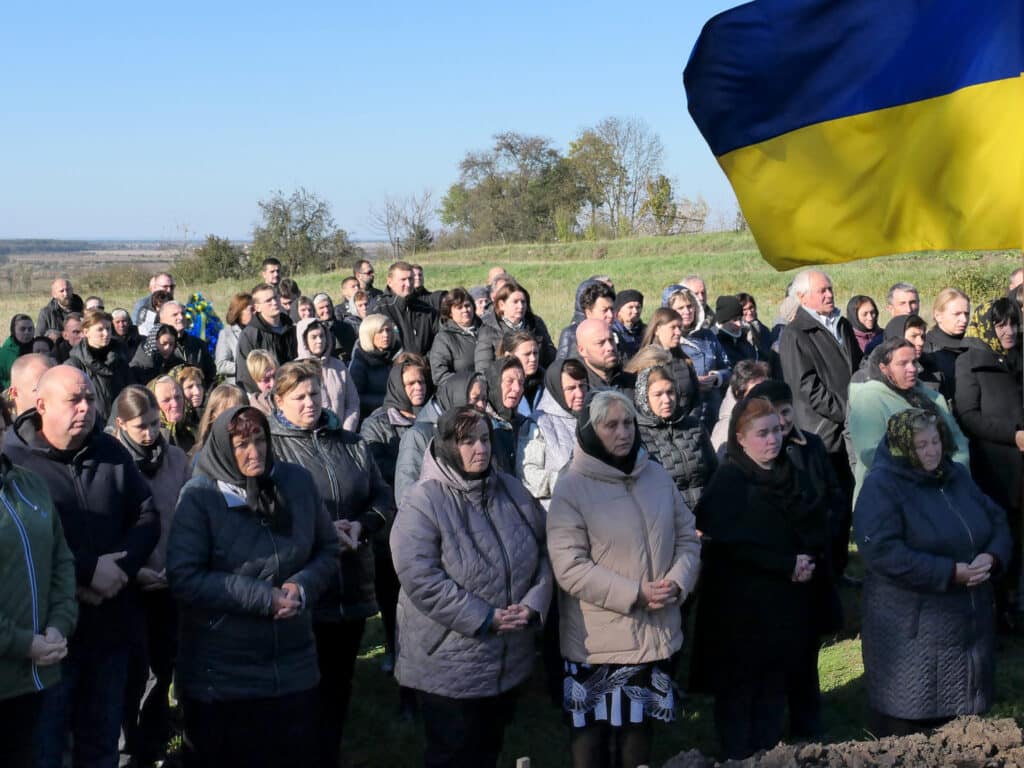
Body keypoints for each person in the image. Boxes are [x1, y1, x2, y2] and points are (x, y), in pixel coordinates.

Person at [4, 365, 159, 768]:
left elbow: (145, 514)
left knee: (102, 744)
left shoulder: (109, 451)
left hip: (110, 631)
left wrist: (119, 570)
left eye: (90, 398)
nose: (86, 408)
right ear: (40, 405)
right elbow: (36, 547)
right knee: (47, 749)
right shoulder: (18, 465)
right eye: (74, 400)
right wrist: (88, 571)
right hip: (49, 642)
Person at [168, 406, 338, 768]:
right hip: (224, 673)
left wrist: (302, 586)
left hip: (294, 662)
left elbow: (327, 548)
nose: (254, 452)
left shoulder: (297, 483)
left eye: (260, 440)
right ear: (224, 449)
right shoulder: (200, 497)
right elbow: (185, 576)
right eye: (242, 444)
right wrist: (263, 598)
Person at [391, 405, 552, 768]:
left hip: (506, 654)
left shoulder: (510, 490)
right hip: (449, 659)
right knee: (453, 754)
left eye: (484, 439)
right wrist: (484, 617)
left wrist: (533, 603)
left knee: (488, 749)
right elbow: (421, 578)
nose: (480, 449)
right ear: (447, 444)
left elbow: (544, 549)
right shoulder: (424, 501)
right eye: (467, 441)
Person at [548, 390, 700, 768]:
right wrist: (635, 594)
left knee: (638, 737)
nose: (623, 432)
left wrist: (677, 583)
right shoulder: (572, 486)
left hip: (653, 633)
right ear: (591, 431)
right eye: (611, 425)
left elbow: (687, 538)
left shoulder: (656, 476)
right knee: (592, 741)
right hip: (597, 644)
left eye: (628, 422)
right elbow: (569, 565)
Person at [855, 409, 1011, 736]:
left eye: (936, 441)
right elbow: (882, 552)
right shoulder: (882, 486)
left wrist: (992, 556)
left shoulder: (954, 476)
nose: (932, 450)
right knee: (912, 728)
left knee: (962, 729)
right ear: (902, 447)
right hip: (913, 629)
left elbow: (996, 519)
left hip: (967, 624)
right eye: (921, 444)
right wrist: (949, 572)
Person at [267, 360, 392, 767]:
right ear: (278, 400)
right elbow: (268, 513)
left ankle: (329, 754)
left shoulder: (352, 445)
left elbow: (382, 496)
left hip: (352, 583)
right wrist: (322, 531)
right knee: (302, 689)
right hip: (303, 587)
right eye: (299, 397)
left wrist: (362, 524)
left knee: (340, 683)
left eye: (315, 394)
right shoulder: (272, 450)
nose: (310, 403)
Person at [690, 397, 822, 760]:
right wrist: (783, 564)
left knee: (774, 684)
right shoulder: (730, 481)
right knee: (739, 689)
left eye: (777, 431)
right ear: (741, 438)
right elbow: (726, 543)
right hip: (739, 609)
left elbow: (811, 516)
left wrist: (807, 558)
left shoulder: (787, 472)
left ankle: (768, 752)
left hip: (784, 603)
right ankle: (738, 756)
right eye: (762, 433)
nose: (773, 440)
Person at [748, 379, 844, 736]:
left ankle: (808, 722)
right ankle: (768, 729)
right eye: (772, 416)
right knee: (774, 657)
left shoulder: (812, 446)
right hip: (776, 572)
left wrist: (824, 537)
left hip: (814, 562)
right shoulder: (749, 454)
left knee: (807, 650)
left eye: (786, 413)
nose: (782, 423)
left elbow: (833, 495)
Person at [113, 386, 192, 767]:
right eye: (139, 427)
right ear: (120, 426)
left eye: (154, 423)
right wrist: (135, 571)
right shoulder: (113, 464)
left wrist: (177, 565)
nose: (149, 433)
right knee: (135, 671)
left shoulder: (176, 458)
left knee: (164, 664)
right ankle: (132, 747)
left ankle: (156, 732)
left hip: (172, 576)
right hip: (131, 583)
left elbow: (189, 514)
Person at [0, 442, 78, 768]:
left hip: (41, 673)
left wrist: (60, 624)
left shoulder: (30, 484)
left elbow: (61, 558)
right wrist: (22, 642)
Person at [779, 268, 861, 576]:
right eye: (822, 290)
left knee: (843, 501)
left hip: (849, 429)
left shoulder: (842, 325)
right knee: (823, 504)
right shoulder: (796, 333)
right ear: (802, 297)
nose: (829, 294)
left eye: (830, 288)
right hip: (821, 432)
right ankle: (823, 571)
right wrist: (845, 412)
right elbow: (805, 386)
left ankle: (839, 567)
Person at [359, 354, 433, 677]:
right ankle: (392, 643)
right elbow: (376, 469)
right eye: (410, 383)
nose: (417, 389)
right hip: (391, 520)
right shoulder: (377, 423)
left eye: (421, 382)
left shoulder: (431, 418)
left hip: (428, 518)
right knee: (391, 591)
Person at [956, 297, 1024, 627]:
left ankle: (1015, 602)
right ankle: (998, 607)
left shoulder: (1020, 357)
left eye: (1013, 323)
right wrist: (1013, 435)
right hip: (997, 466)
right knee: (1000, 536)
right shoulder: (971, 361)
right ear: (988, 326)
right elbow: (969, 415)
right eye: (1001, 324)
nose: (1009, 331)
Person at [848, 338, 968, 502]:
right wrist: (927, 474)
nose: (912, 369)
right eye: (903, 363)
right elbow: (872, 453)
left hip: (944, 492)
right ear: (884, 368)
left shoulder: (932, 397)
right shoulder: (869, 398)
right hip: (889, 498)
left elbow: (958, 442)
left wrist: (953, 473)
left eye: (914, 362)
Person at [631, 347, 717, 510]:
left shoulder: (694, 426)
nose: (666, 400)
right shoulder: (636, 435)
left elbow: (714, 473)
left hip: (707, 520)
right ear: (644, 397)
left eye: (670, 392)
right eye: (658, 394)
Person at [393, 371, 489, 506]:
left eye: (484, 399)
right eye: (475, 398)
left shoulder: (480, 434)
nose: (482, 406)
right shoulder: (418, 436)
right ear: (457, 396)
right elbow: (406, 496)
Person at [518, 357, 588, 508]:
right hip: (559, 513)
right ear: (556, 389)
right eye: (571, 388)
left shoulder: (594, 418)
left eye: (582, 386)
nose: (580, 394)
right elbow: (527, 475)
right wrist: (564, 481)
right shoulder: (538, 424)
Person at [664, 285, 731, 429]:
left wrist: (717, 377)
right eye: (680, 308)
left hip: (714, 411)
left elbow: (728, 368)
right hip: (684, 415)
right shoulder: (666, 341)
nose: (687, 311)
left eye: (690, 306)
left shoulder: (708, 336)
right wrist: (693, 383)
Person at [67, 309, 133, 424]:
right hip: (90, 426)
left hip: (120, 425)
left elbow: (130, 392)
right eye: (100, 329)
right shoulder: (74, 365)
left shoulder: (120, 360)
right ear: (86, 332)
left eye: (108, 329)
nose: (106, 334)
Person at [475, 280, 557, 372]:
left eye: (523, 302)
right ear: (502, 305)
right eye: (515, 302)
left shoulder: (535, 323)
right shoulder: (488, 328)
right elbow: (483, 368)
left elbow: (550, 356)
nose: (520, 306)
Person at [295, 318, 360, 430]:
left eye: (322, 336)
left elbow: (353, 403)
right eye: (314, 337)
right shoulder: (296, 370)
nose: (319, 341)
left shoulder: (339, 367)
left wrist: (347, 431)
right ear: (304, 340)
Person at [634, 308, 699, 416]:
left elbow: (696, 397)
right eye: (673, 327)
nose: (678, 332)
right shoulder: (645, 362)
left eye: (679, 327)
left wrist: (691, 420)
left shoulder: (685, 361)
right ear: (657, 330)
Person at [235, 284, 296, 395]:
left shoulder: (291, 327)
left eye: (275, 297)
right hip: (267, 397)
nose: (274, 303)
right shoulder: (249, 335)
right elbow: (245, 376)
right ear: (257, 307)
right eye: (268, 300)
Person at [374, 261, 438, 356]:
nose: (408, 284)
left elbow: (439, 341)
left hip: (425, 367)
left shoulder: (426, 309)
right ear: (390, 282)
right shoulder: (379, 310)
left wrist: (425, 362)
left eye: (410, 279)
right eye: (403, 279)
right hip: (393, 368)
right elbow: (373, 346)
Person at [709, 360, 772, 454]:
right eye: (755, 391)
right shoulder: (726, 432)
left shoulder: (771, 417)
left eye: (765, 389)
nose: (762, 396)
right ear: (739, 393)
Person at [923, 287, 971, 408]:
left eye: (966, 313)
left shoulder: (973, 345)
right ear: (938, 316)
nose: (964, 319)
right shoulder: (927, 351)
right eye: (957, 314)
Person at [350, 313, 403, 420]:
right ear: (369, 334)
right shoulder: (359, 363)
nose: (386, 335)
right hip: (374, 418)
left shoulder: (399, 355)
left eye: (388, 330)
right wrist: (388, 401)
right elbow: (355, 397)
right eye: (380, 331)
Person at [157, 302, 217, 387]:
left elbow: (211, 376)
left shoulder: (199, 345)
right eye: (175, 315)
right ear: (162, 320)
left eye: (183, 313)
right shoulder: (157, 346)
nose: (181, 317)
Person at [484, 355, 527, 473]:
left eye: (521, 382)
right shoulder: (482, 425)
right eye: (510, 381)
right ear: (495, 384)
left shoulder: (524, 425)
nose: (517, 388)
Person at [429, 288, 481, 384]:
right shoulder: (443, 339)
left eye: (467, 305)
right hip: (462, 393)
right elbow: (440, 375)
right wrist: (470, 385)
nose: (465, 310)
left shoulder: (486, 330)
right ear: (450, 313)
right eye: (459, 307)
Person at [556, 281, 616, 360]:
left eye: (612, 309)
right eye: (604, 310)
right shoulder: (573, 335)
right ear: (588, 313)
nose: (610, 315)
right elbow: (562, 366)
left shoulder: (616, 333)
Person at [574, 318, 635, 391]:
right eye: (600, 343)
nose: (610, 347)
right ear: (582, 350)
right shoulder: (578, 388)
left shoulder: (632, 383)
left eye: (611, 340)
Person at [193, 384, 249, 457]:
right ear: (213, 416)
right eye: (229, 412)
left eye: (241, 411)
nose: (238, 417)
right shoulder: (203, 456)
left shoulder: (256, 447)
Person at [149, 374, 198, 454]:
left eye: (178, 397)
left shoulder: (195, 426)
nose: (175, 404)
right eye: (166, 400)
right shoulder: (151, 438)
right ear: (154, 405)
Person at [499, 330, 544, 415]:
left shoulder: (547, 384)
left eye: (535, 353)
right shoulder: (497, 388)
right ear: (509, 356)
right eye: (527, 354)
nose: (533, 359)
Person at [215, 292, 253, 386]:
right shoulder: (227, 334)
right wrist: (248, 368)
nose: (256, 312)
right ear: (239, 312)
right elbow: (221, 365)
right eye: (251, 309)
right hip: (238, 386)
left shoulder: (258, 331)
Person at [0, 314, 35, 390]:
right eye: (22, 329)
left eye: (30, 329)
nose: (27, 332)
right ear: (13, 331)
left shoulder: (39, 347)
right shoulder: (3, 353)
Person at [611, 289, 645, 362]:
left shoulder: (646, 330)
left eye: (638, 307)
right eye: (630, 307)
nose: (635, 311)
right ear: (619, 311)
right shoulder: (612, 332)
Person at [244, 349, 277, 415]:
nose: (273, 383)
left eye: (275, 375)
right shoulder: (254, 412)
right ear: (253, 379)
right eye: (266, 380)